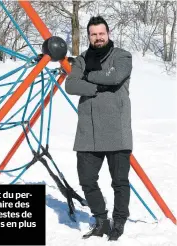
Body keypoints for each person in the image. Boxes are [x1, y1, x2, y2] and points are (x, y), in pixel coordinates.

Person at [64, 16, 133, 241]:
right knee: (86, 179)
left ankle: (119, 221)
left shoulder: (122, 55)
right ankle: (101, 220)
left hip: (116, 129)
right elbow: (71, 84)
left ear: (108, 32)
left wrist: (88, 78)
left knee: (119, 181)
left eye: (101, 33)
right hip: (89, 130)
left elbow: (115, 77)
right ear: (89, 36)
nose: (98, 37)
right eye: (93, 34)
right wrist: (97, 85)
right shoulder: (82, 59)